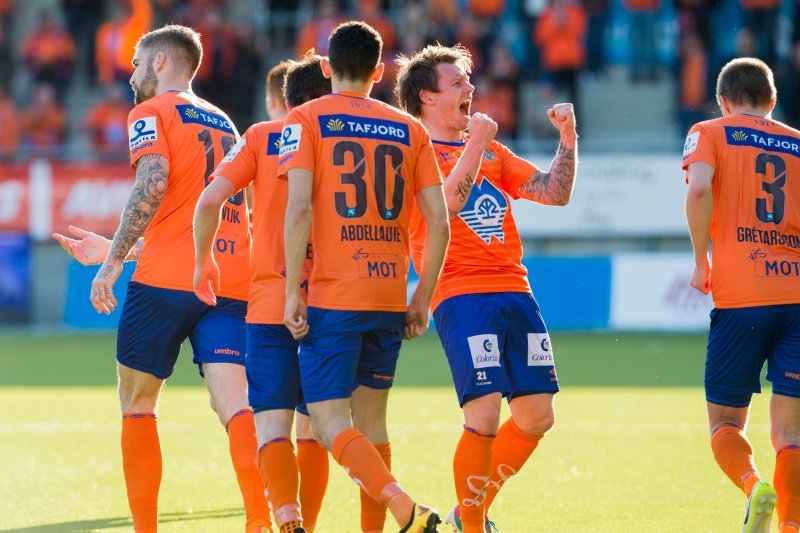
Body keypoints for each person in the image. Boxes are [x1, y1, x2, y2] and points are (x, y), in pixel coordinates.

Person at [57, 25, 271, 533]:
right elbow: (192, 215)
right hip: (226, 280)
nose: (130, 73)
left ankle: (146, 529)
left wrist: (112, 266)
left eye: (136, 62)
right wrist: (115, 249)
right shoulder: (226, 123)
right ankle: (262, 522)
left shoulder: (150, 112)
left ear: (159, 63)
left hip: (166, 284)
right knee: (236, 407)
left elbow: (152, 186)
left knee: (138, 403)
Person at [394, 44, 578, 532]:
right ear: (425, 97)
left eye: (467, 81)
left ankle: (465, 513)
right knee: (484, 415)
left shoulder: (492, 149)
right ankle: (473, 525)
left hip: (515, 290)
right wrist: (475, 143)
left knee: (538, 415)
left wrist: (567, 137)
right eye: (457, 84)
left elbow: (554, 192)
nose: (469, 90)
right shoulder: (413, 150)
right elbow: (449, 204)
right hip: (460, 293)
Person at [280, 21, 450, 533]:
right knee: (373, 424)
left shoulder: (306, 119)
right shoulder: (410, 129)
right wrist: (422, 298)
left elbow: (299, 208)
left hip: (335, 291)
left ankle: (404, 508)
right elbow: (440, 222)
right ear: (379, 72)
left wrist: (292, 289)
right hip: (388, 292)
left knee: (330, 425)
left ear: (326, 67)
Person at [193, 56, 332, 533]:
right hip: (333, 302)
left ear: (287, 102)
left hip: (271, 300)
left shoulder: (260, 137)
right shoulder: (349, 137)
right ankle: (307, 525)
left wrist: (203, 260)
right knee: (316, 429)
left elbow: (210, 199)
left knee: (271, 423)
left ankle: (283, 517)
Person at [683, 57, 800, 533]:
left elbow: (699, 191)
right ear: (772, 102)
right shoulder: (796, 142)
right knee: (791, 430)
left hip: (741, 296)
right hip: (795, 294)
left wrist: (699, 260)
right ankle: (792, 525)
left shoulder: (709, 131)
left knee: (725, 423)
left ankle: (755, 487)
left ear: (723, 101)